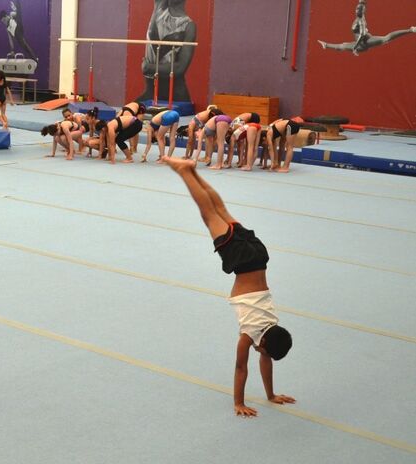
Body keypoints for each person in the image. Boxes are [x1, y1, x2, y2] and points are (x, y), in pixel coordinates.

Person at [163, 156, 294, 417]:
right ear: (263, 341)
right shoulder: (249, 335)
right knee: (208, 214)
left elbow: (266, 360)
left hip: (258, 255)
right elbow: (240, 368)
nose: (260, 353)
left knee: (221, 209)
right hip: (242, 261)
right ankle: (183, 172)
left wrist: (270, 395)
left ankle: (193, 172)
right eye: (262, 350)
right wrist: (239, 403)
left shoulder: (272, 324)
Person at [138, 0, 197, 103]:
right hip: (151, 92)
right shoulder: (159, 8)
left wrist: (150, 68)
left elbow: (180, 68)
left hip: (176, 96)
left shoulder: (189, 26)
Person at [318, 1, 416, 55]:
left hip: (363, 44)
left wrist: (355, 48)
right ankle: (325, 45)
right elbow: (362, 2)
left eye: (358, 9)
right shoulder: (360, 15)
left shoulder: (361, 21)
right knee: (342, 46)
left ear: (362, 11)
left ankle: (410, 30)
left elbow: (361, 36)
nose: (356, 10)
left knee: (386, 38)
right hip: (362, 41)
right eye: (356, 8)